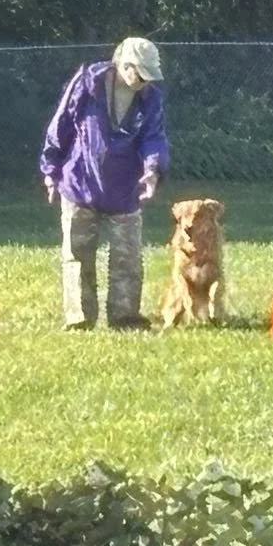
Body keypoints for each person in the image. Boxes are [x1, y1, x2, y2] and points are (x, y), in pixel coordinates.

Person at [39, 36, 169, 329]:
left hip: (125, 189)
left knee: (128, 258)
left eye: (150, 75)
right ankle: (79, 319)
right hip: (80, 184)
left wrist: (152, 169)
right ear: (124, 65)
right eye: (141, 73)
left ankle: (124, 317)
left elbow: (154, 137)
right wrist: (50, 170)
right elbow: (60, 125)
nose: (145, 81)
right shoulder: (88, 84)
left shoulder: (151, 98)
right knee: (77, 256)